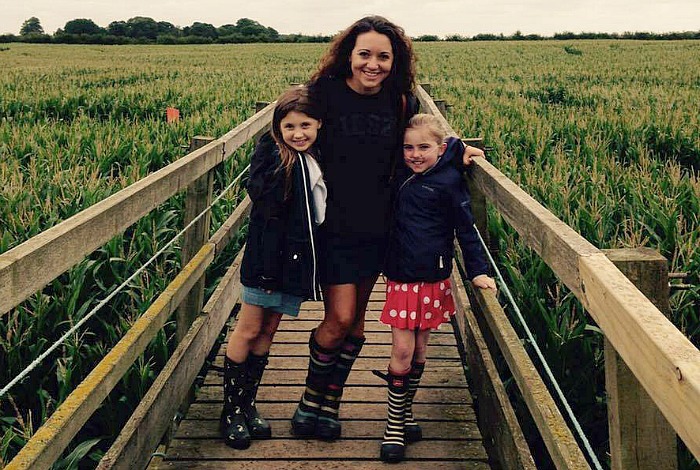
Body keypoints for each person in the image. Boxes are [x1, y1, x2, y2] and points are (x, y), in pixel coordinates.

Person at [291, 15, 486, 441]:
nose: (373, 64)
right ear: (349, 55)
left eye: (383, 56)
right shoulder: (323, 94)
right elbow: (291, 130)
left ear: (394, 61)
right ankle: (310, 401)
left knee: (357, 326)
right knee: (339, 318)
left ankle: (330, 405)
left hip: (381, 226)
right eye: (365, 54)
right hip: (334, 224)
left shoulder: (400, 101)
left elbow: (423, 144)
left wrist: (457, 150)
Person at [375, 113, 497, 462]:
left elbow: (467, 231)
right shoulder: (400, 174)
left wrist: (478, 271)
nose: (415, 154)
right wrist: (456, 146)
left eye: (424, 148)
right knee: (401, 350)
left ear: (440, 149)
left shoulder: (449, 182)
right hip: (400, 277)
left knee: (420, 352)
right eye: (408, 148)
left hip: (434, 278)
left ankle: (407, 410)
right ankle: (393, 424)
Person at [220, 86, 326, 450]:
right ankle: (230, 410)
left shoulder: (313, 158)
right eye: (289, 126)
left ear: (318, 125)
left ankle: (248, 405)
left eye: (306, 125)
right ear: (277, 128)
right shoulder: (273, 157)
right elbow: (261, 196)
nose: (298, 133)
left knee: (268, 331)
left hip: (292, 263)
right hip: (266, 261)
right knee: (248, 330)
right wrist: (275, 154)